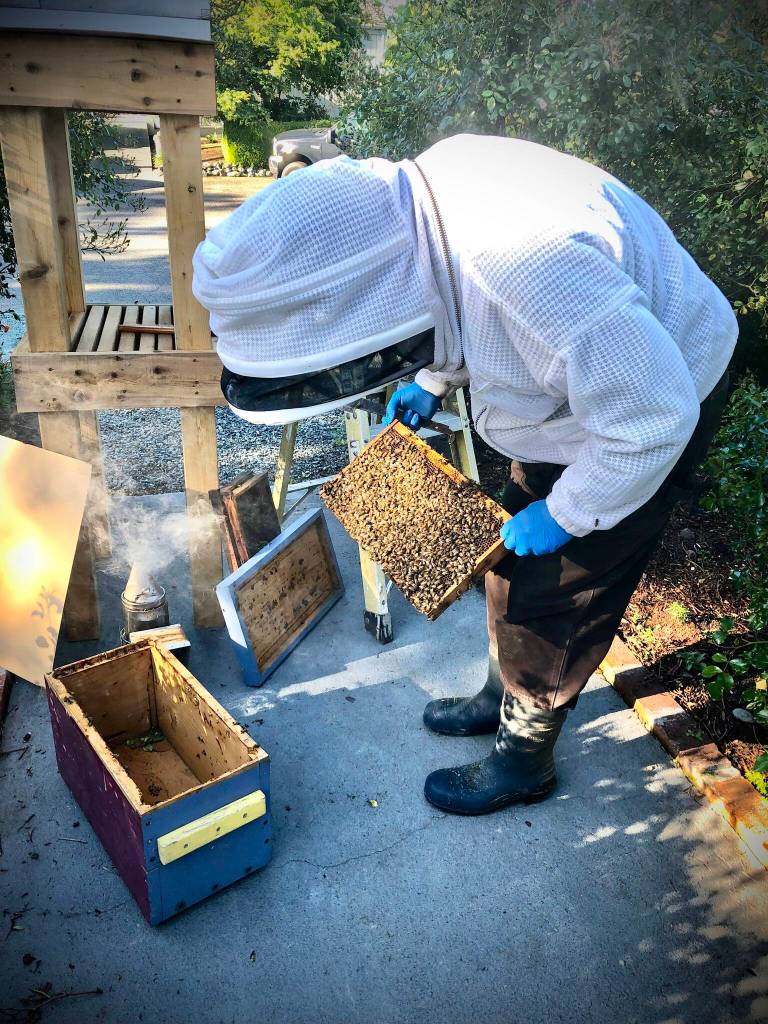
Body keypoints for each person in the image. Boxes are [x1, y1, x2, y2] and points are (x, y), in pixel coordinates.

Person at [193, 134, 737, 816]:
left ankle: (524, 758)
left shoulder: (531, 264)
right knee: (505, 558)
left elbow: (650, 420)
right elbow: (455, 306)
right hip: (583, 394)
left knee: (564, 591)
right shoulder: (427, 203)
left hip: (655, 398)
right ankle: (498, 694)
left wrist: (569, 511)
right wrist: (433, 377)